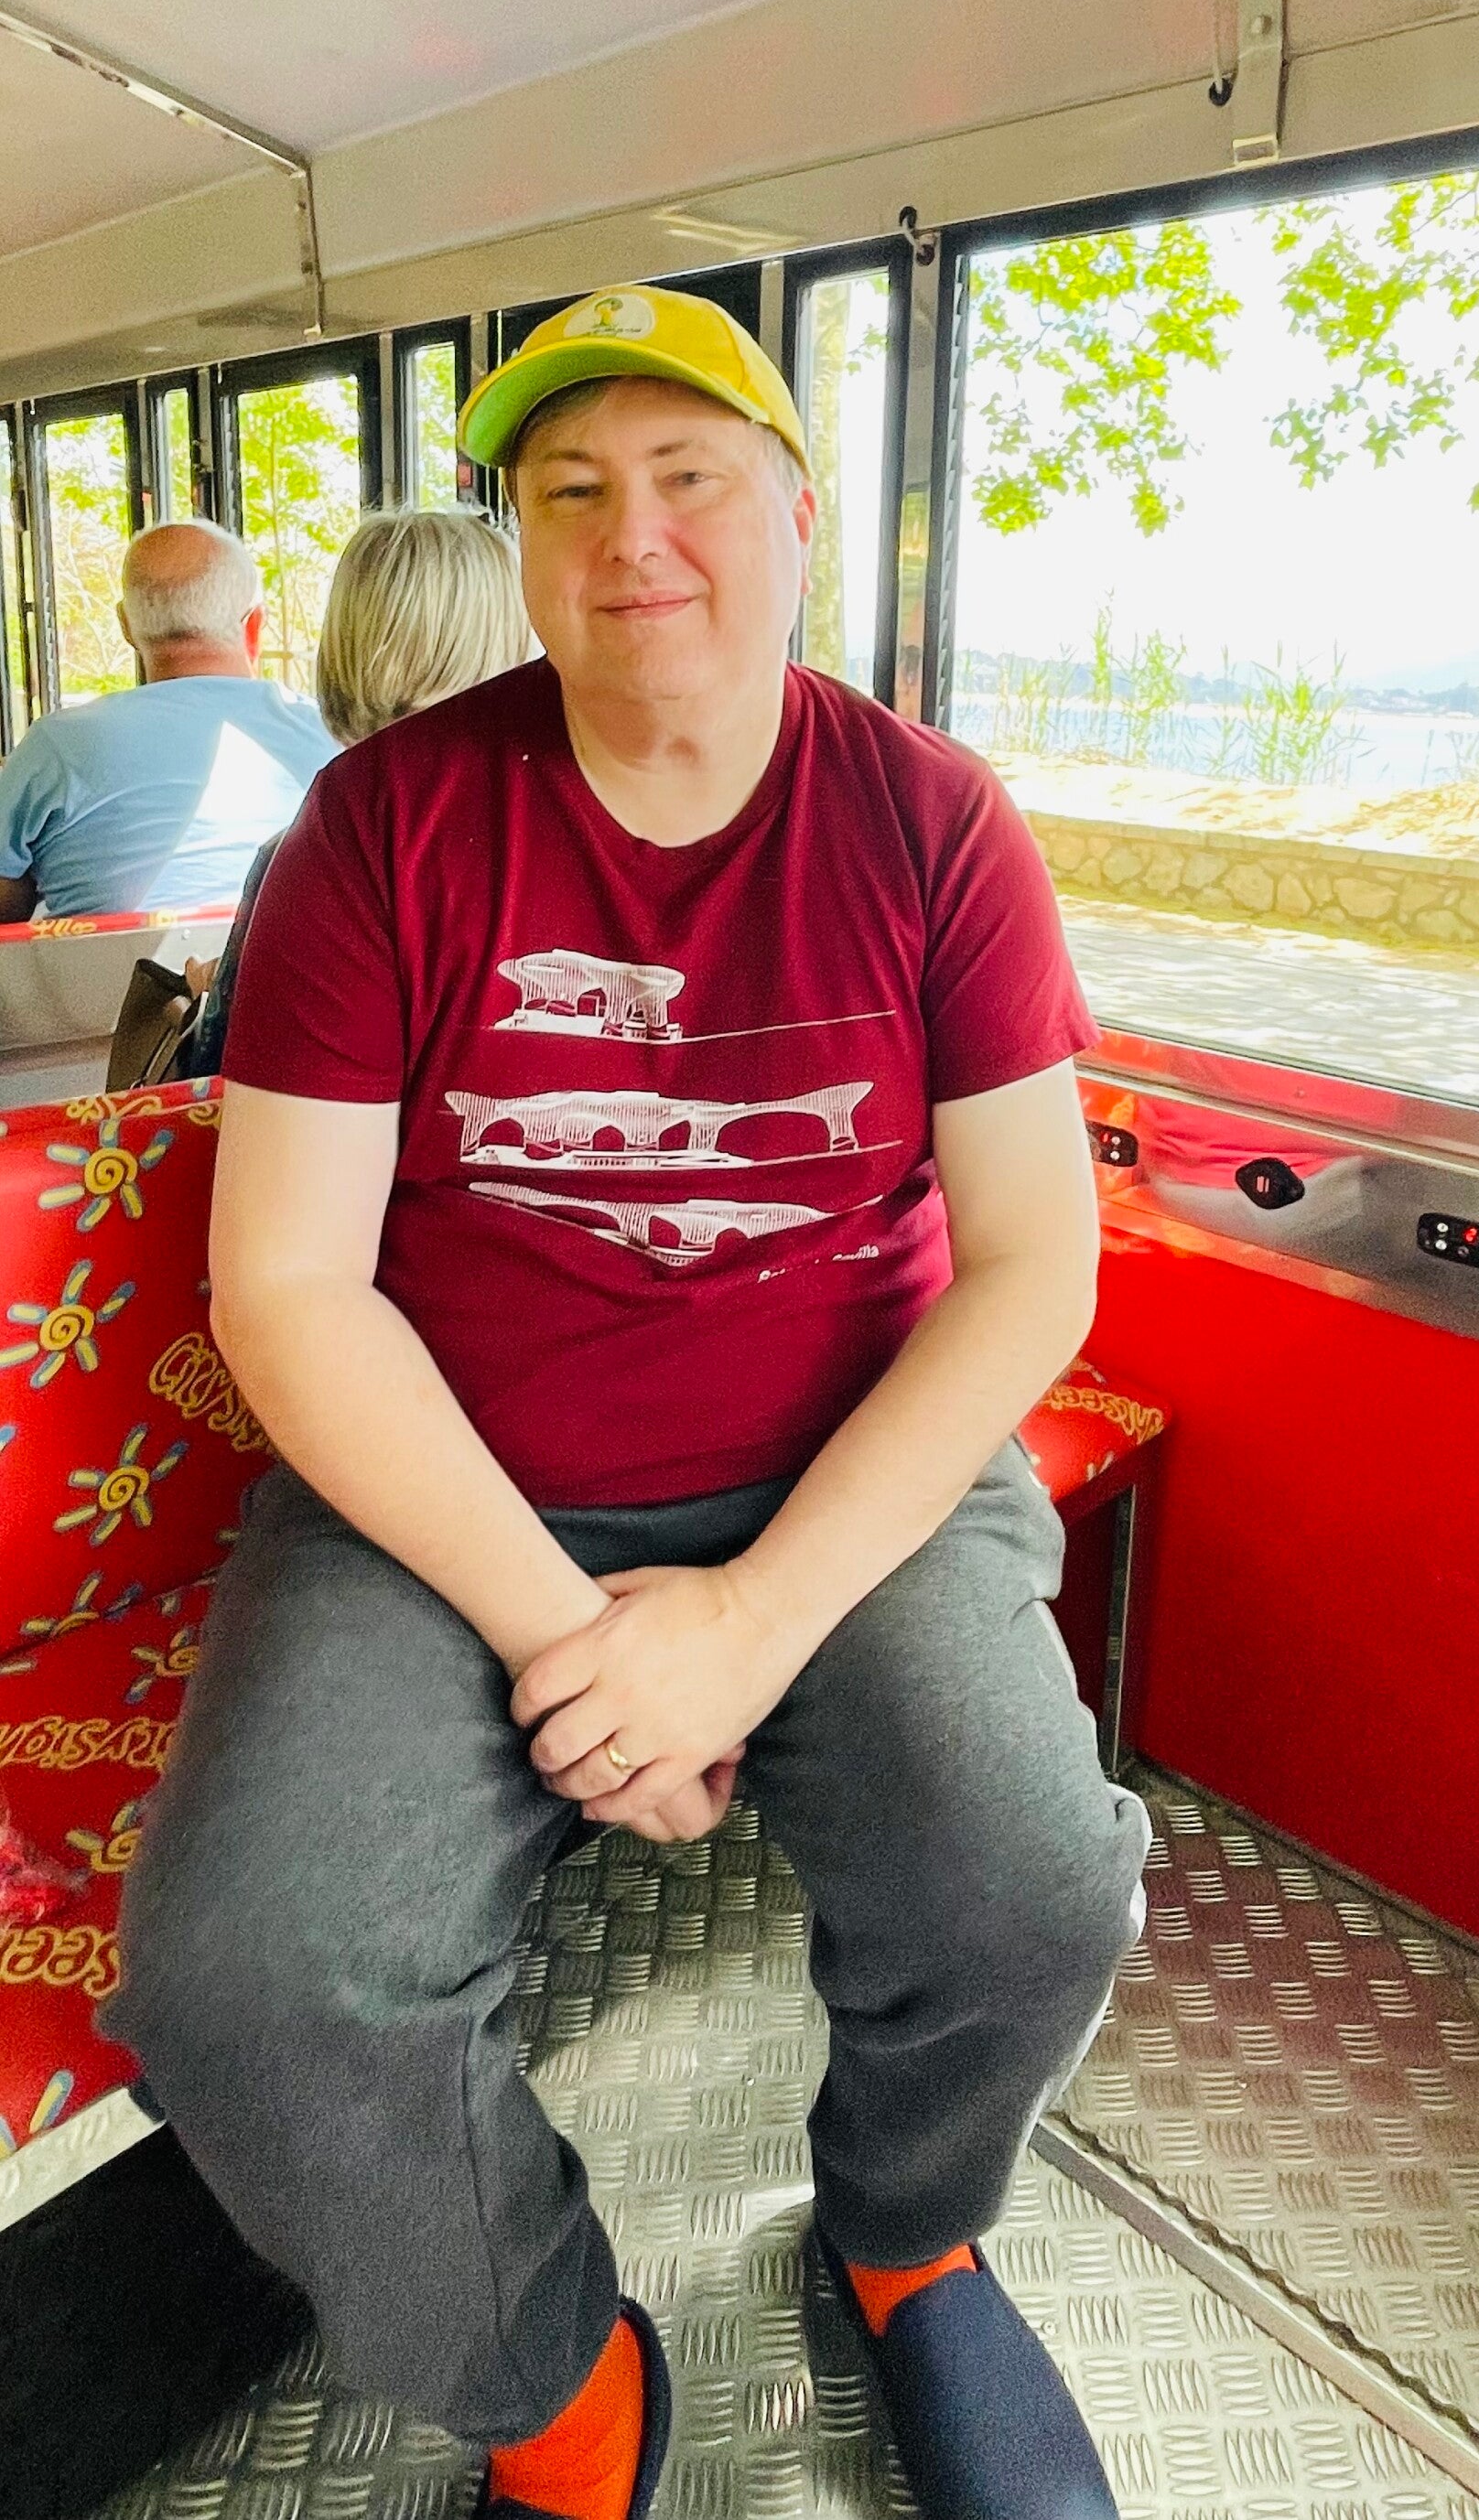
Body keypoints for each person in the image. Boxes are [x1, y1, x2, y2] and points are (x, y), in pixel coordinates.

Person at [109, 285, 1149, 2520]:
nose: (631, 532)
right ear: (521, 542)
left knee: (1031, 1886)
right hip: (443, 1493)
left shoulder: (932, 822)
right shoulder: (383, 828)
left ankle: (907, 2230)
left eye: (689, 476)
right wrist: (577, 1641)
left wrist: (750, 1622)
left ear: (800, 515)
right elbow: (286, 1283)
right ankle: (556, 2378)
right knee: (246, 1981)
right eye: (569, 488)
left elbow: (1033, 1265)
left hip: (846, 1466)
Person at [175, 503, 530, 1076]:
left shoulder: (313, 853)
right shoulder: (555, 846)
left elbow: (227, 1075)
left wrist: (214, 993)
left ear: (345, 644)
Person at [0, 518, 334, 921]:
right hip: (277, 959)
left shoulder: (56, 745)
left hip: (106, 965)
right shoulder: (330, 735)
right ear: (254, 626)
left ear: (126, 626)